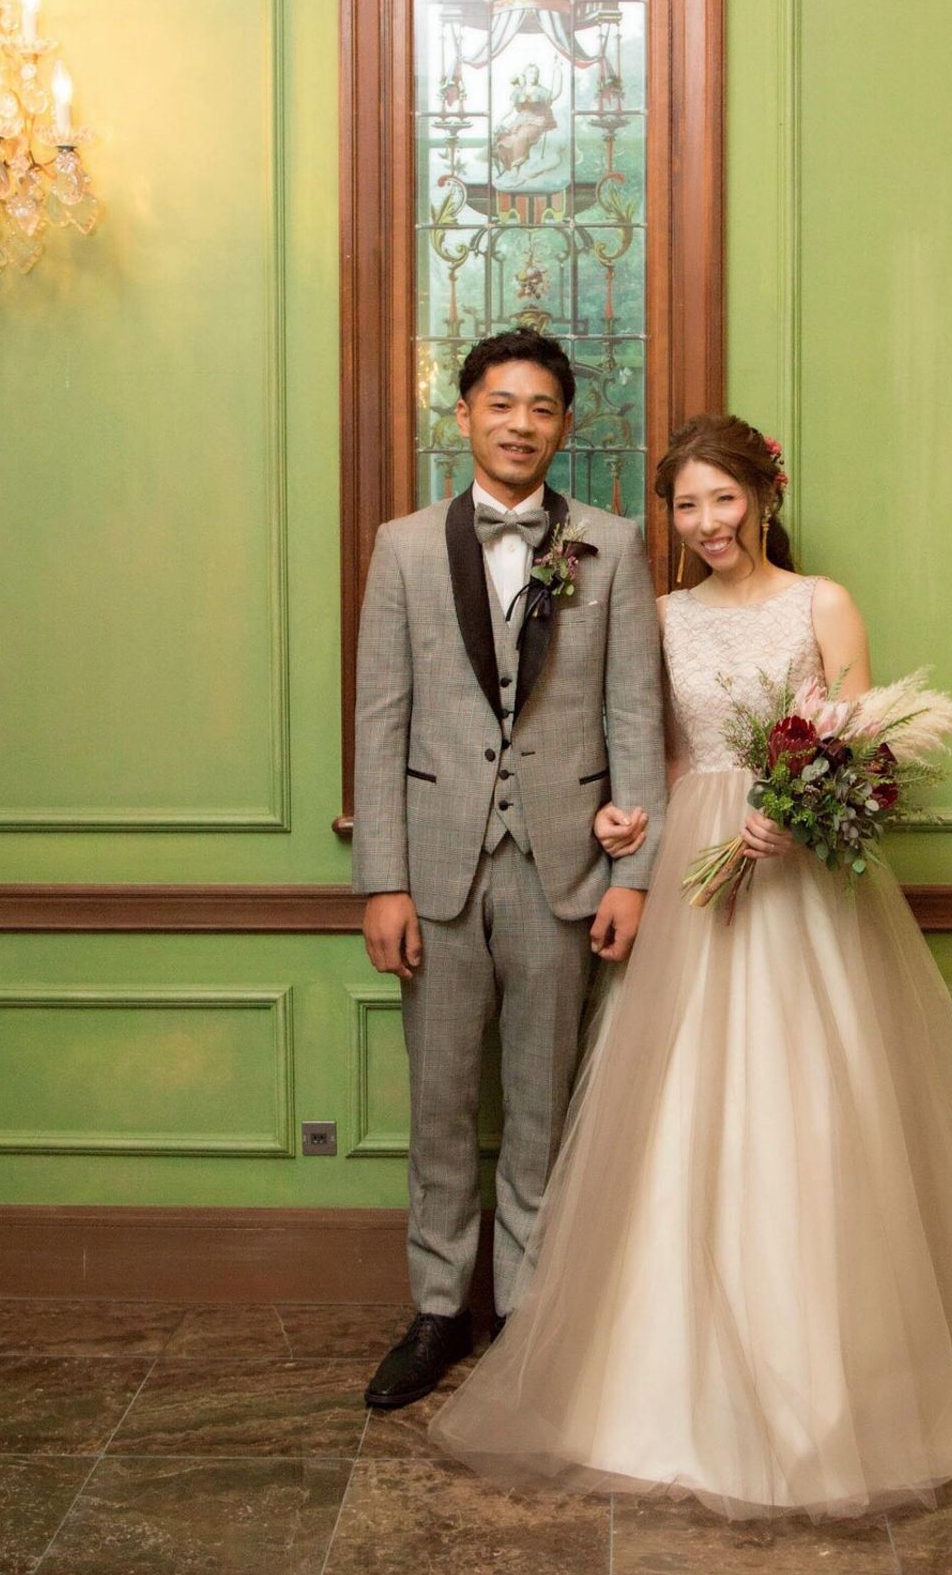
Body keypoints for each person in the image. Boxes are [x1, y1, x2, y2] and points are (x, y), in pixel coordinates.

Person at [429, 412, 952, 1518]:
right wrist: (629, 816)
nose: (706, 522)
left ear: (763, 497)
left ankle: (844, 1387)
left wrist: (801, 809)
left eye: (722, 499)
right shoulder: (660, 615)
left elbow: (866, 748)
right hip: (699, 873)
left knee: (819, 1102)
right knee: (681, 1107)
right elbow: (658, 754)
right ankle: (664, 1381)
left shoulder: (822, 603)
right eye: (686, 505)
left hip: (804, 880)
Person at [353, 328, 666, 1410]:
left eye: (540, 407)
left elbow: (636, 713)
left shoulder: (611, 546)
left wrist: (635, 875)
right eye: (500, 403)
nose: (519, 423)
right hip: (436, 869)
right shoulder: (401, 547)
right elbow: (379, 718)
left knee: (541, 1105)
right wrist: (382, 881)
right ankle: (440, 1309)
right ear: (465, 414)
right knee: (440, 1106)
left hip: (564, 869)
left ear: (564, 425)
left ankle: (530, 1319)